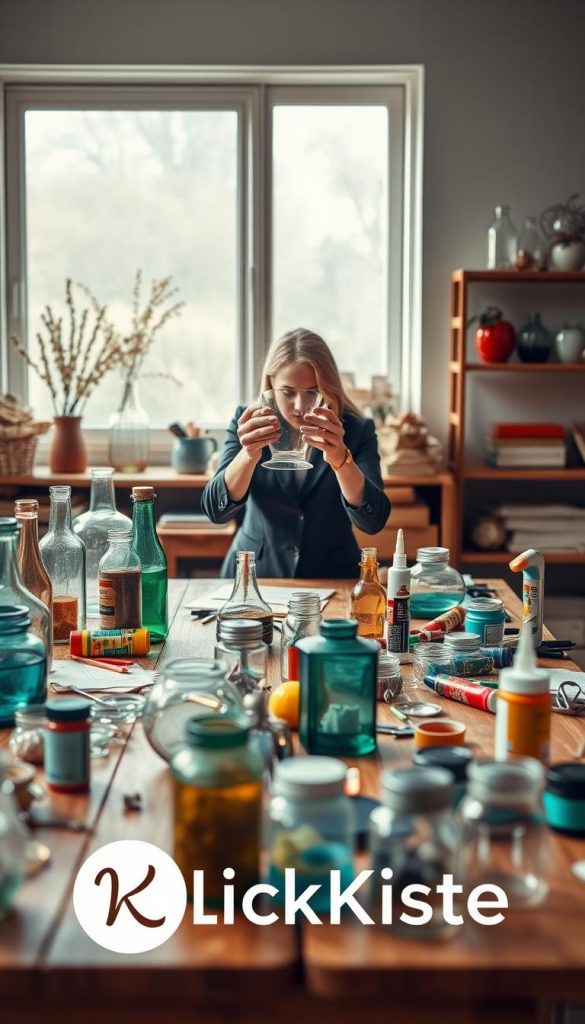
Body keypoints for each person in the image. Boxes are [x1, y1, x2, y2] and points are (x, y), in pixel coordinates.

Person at [201, 328, 391, 578]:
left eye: (313, 392)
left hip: (332, 579)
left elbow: (373, 521)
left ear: (329, 387)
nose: (300, 407)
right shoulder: (247, 422)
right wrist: (248, 454)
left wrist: (341, 460)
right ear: (270, 384)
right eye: (288, 392)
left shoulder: (356, 429)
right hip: (254, 577)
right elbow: (216, 511)